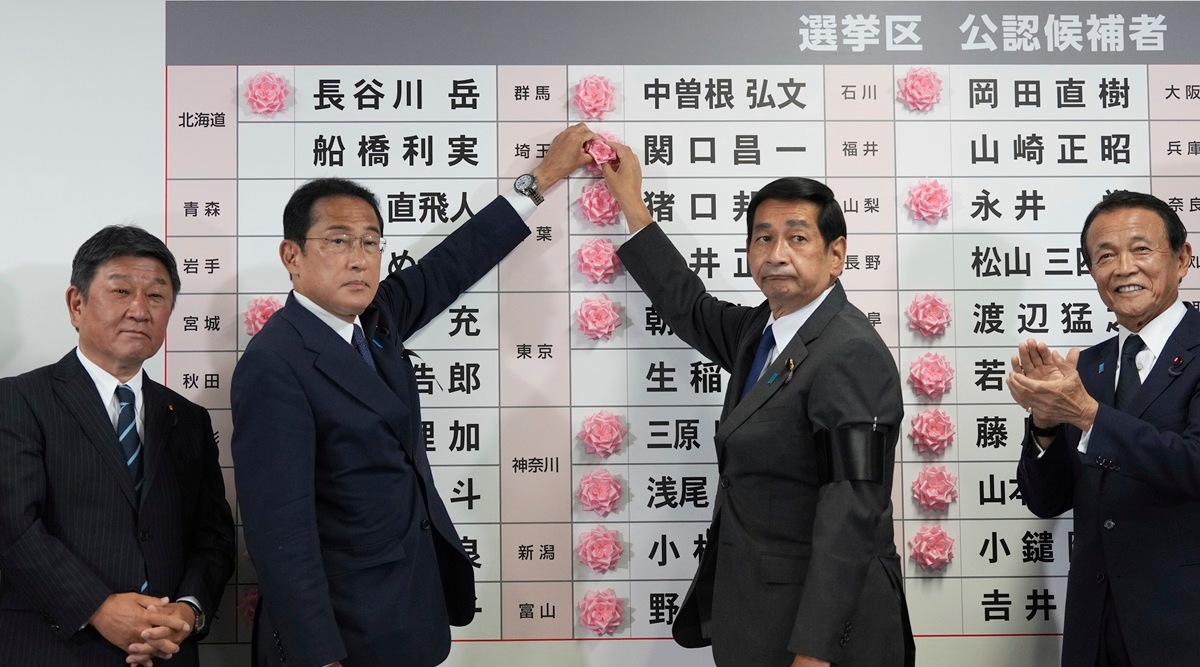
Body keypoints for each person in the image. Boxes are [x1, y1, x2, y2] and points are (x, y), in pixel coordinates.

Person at [231, 124, 596, 667]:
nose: (359, 258)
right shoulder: (274, 364)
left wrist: (543, 177)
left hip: (407, 614)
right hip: (341, 635)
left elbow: (452, 264)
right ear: (293, 255)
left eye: (371, 241)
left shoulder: (376, 320)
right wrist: (320, 656)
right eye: (337, 240)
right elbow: (280, 534)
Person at [600, 144, 914, 666]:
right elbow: (689, 307)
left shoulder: (849, 351)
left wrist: (814, 652)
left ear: (836, 254)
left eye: (797, 238)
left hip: (824, 631)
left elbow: (853, 508)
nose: (776, 254)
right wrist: (631, 201)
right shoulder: (762, 332)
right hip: (757, 615)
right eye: (763, 238)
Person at [0, 225, 236, 666]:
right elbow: (14, 527)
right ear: (76, 304)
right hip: (54, 648)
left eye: (156, 296)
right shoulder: (17, 400)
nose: (139, 310)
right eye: (122, 291)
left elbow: (214, 537)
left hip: (168, 652)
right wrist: (98, 607)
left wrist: (187, 610)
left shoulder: (189, 419)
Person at [1008, 190, 1200, 667]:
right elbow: (1046, 500)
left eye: (1141, 249)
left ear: (1181, 259)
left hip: (1182, 623)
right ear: (1092, 271)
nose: (1123, 268)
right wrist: (1046, 422)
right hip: (1093, 628)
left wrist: (1089, 416)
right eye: (1105, 256)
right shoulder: (1087, 367)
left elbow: (1194, 466)